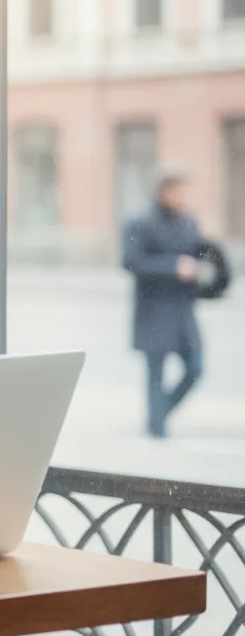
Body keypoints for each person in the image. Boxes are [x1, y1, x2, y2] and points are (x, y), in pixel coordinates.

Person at [121, 168, 204, 439]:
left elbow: (199, 254)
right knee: (155, 371)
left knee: (195, 368)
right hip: (154, 309)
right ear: (162, 191)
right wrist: (173, 267)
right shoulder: (140, 222)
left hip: (182, 309)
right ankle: (157, 426)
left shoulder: (188, 221)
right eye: (176, 191)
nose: (181, 197)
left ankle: (159, 413)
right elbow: (131, 261)